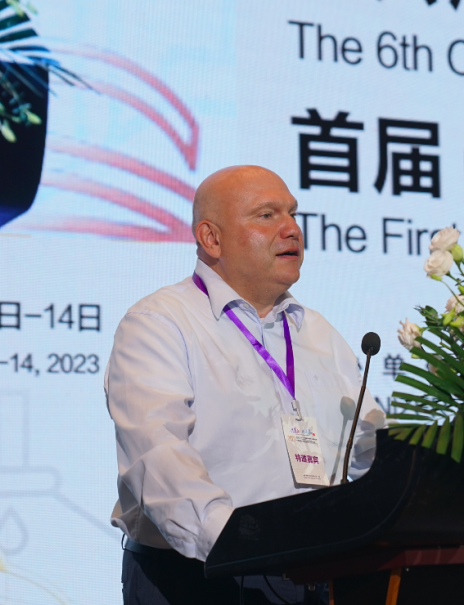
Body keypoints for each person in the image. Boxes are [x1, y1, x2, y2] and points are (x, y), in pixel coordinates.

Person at [106, 165, 385, 604]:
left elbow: (371, 448)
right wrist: (243, 543)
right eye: (267, 215)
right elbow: (158, 460)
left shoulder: (318, 332)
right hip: (199, 579)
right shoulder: (159, 324)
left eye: (293, 213)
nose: (291, 229)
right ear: (211, 238)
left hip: (317, 575)